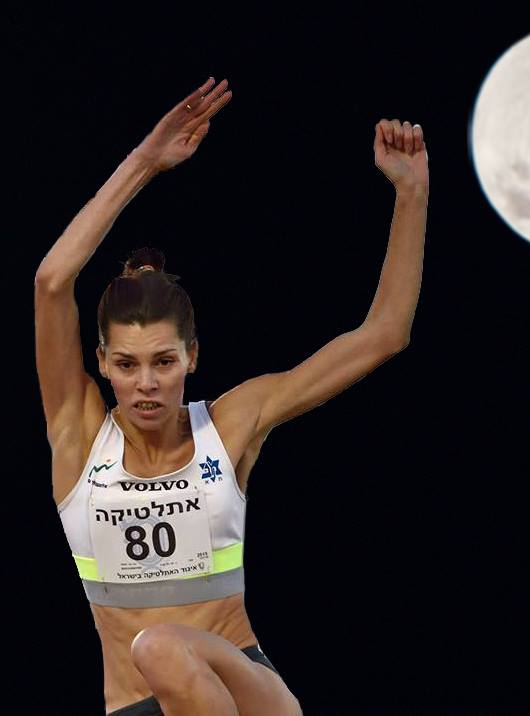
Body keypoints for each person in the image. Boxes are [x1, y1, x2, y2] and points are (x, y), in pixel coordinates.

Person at [34, 75, 428, 715]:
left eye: (164, 362)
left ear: (191, 357)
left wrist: (411, 195)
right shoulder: (78, 439)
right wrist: (146, 161)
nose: (147, 383)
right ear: (102, 363)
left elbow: (384, 334)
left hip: (244, 688)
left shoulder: (229, 425)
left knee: (162, 645)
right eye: (128, 365)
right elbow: (52, 281)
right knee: (154, 652)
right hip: (136, 703)